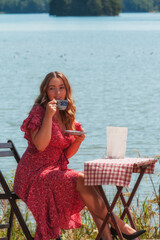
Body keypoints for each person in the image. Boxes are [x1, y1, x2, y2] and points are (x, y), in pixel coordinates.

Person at [14, 71, 145, 240]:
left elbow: (65, 154)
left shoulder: (67, 113)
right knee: (82, 179)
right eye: (52, 88)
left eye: (61, 88)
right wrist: (48, 115)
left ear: (67, 90)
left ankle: (107, 236)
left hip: (54, 170)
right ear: (45, 91)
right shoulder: (39, 112)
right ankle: (122, 227)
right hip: (33, 175)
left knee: (90, 182)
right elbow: (40, 145)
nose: (57, 93)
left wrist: (78, 141)